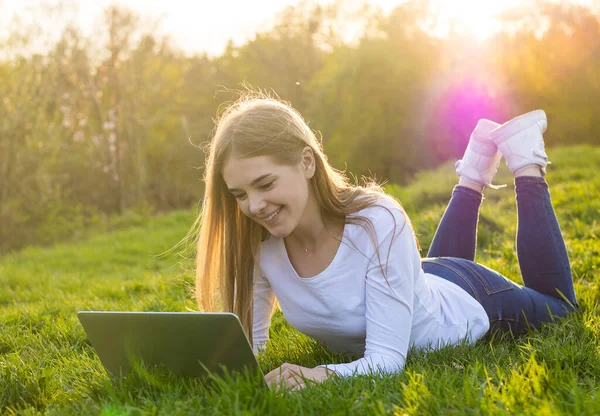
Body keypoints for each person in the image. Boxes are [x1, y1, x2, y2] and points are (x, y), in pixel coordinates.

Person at [190, 93, 578, 391]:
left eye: (266, 184)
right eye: (239, 194)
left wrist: (315, 375)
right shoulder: (260, 243)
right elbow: (247, 352)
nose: (254, 206)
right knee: (430, 276)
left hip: (473, 299)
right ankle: (475, 166)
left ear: (307, 163)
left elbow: (387, 361)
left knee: (560, 306)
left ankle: (527, 160)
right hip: (419, 280)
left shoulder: (376, 221)